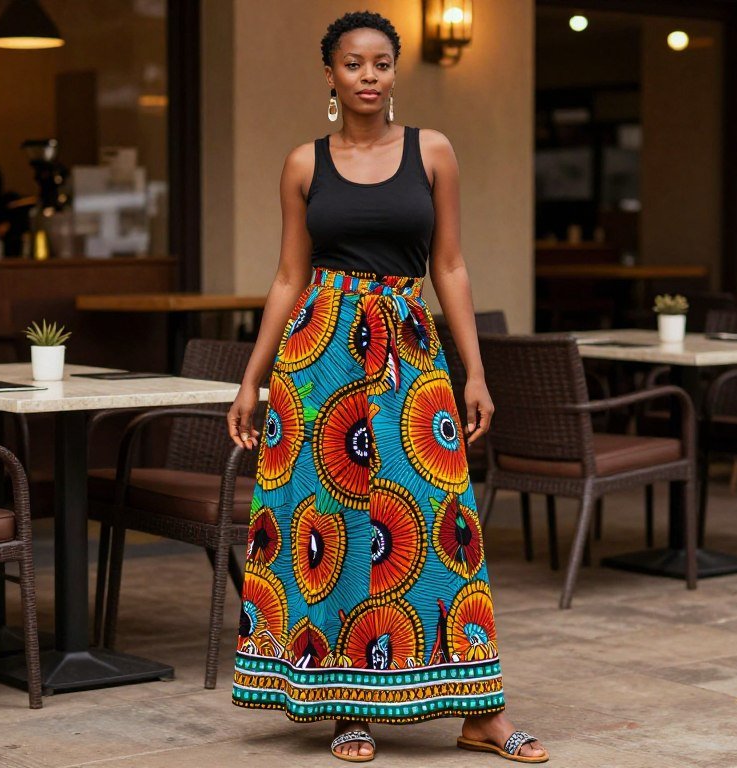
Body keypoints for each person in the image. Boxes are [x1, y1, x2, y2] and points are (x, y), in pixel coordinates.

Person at [226, 11, 548, 764]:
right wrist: (252, 378)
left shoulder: (432, 152)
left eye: (380, 63)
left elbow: (452, 266)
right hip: (320, 354)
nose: (368, 75)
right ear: (330, 75)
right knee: (329, 524)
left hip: (408, 346)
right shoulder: (303, 163)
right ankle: (347, 706)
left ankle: (481, 712)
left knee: (440, 521)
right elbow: (286, 276)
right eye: (352, 64)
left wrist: (475, 370)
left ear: (395, 72)